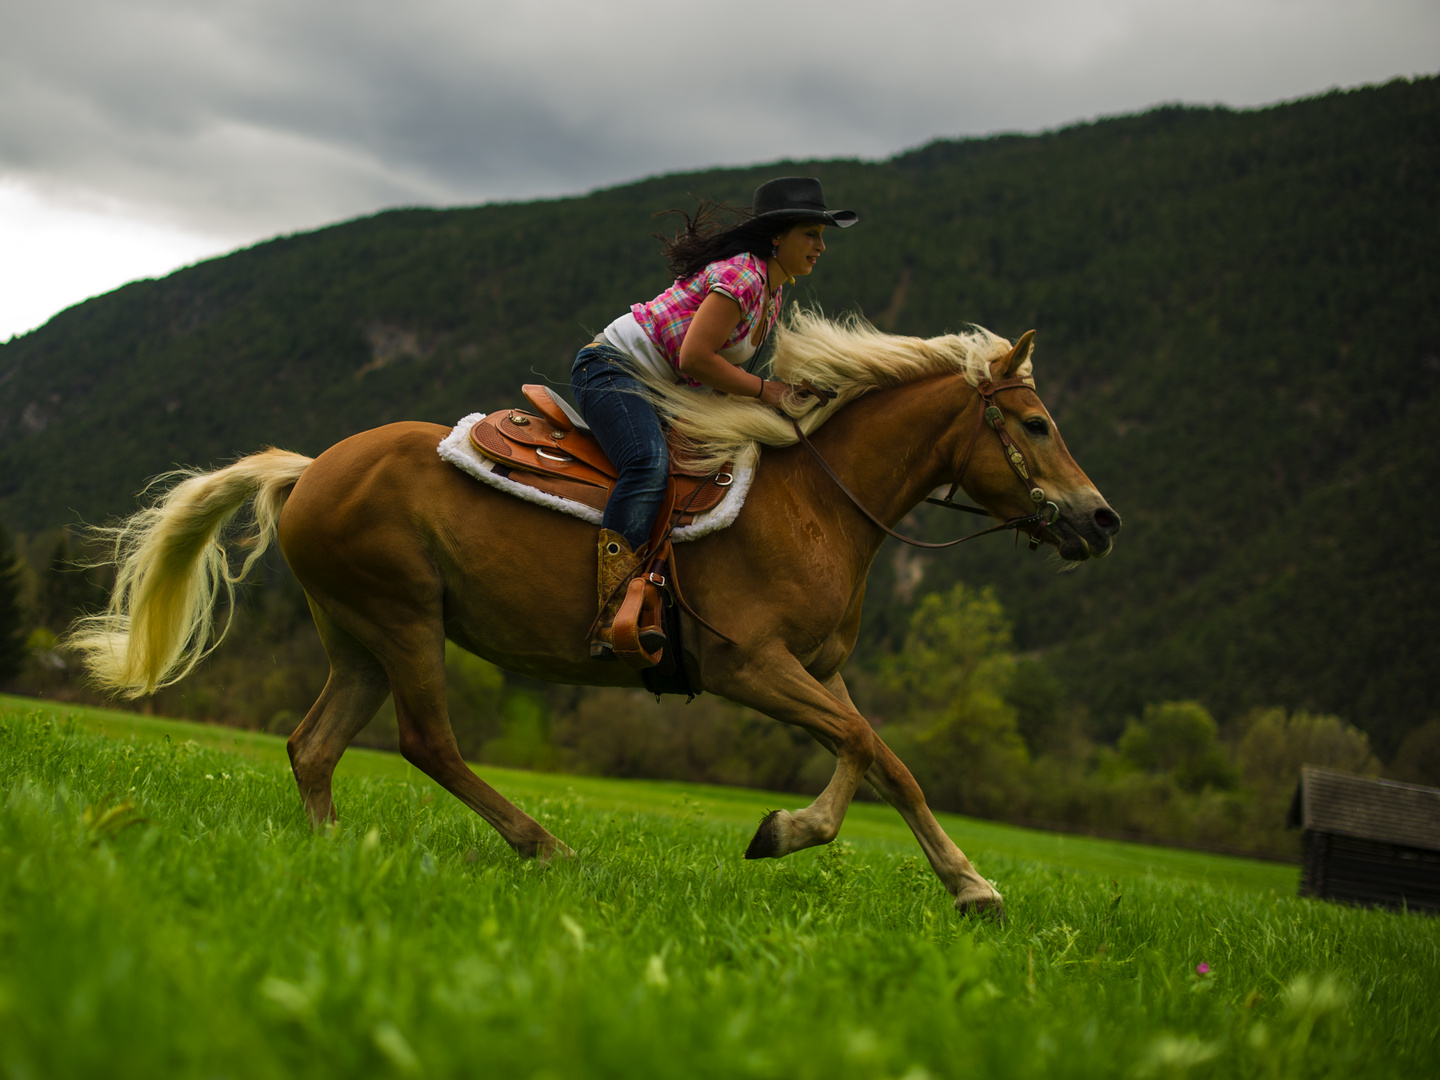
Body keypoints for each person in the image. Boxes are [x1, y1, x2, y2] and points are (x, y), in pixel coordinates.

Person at [571, 176, 858, 658]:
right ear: (777, 237)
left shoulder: (772, 289)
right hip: (613, 369)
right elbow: (695, 358)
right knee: (647, 466)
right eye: (811, 234)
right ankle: (610, 607)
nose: (821, 247)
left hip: (659, 387)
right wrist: (768, 392)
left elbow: (713, 372)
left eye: (822, 236)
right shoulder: (745, 277)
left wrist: (785, 396)